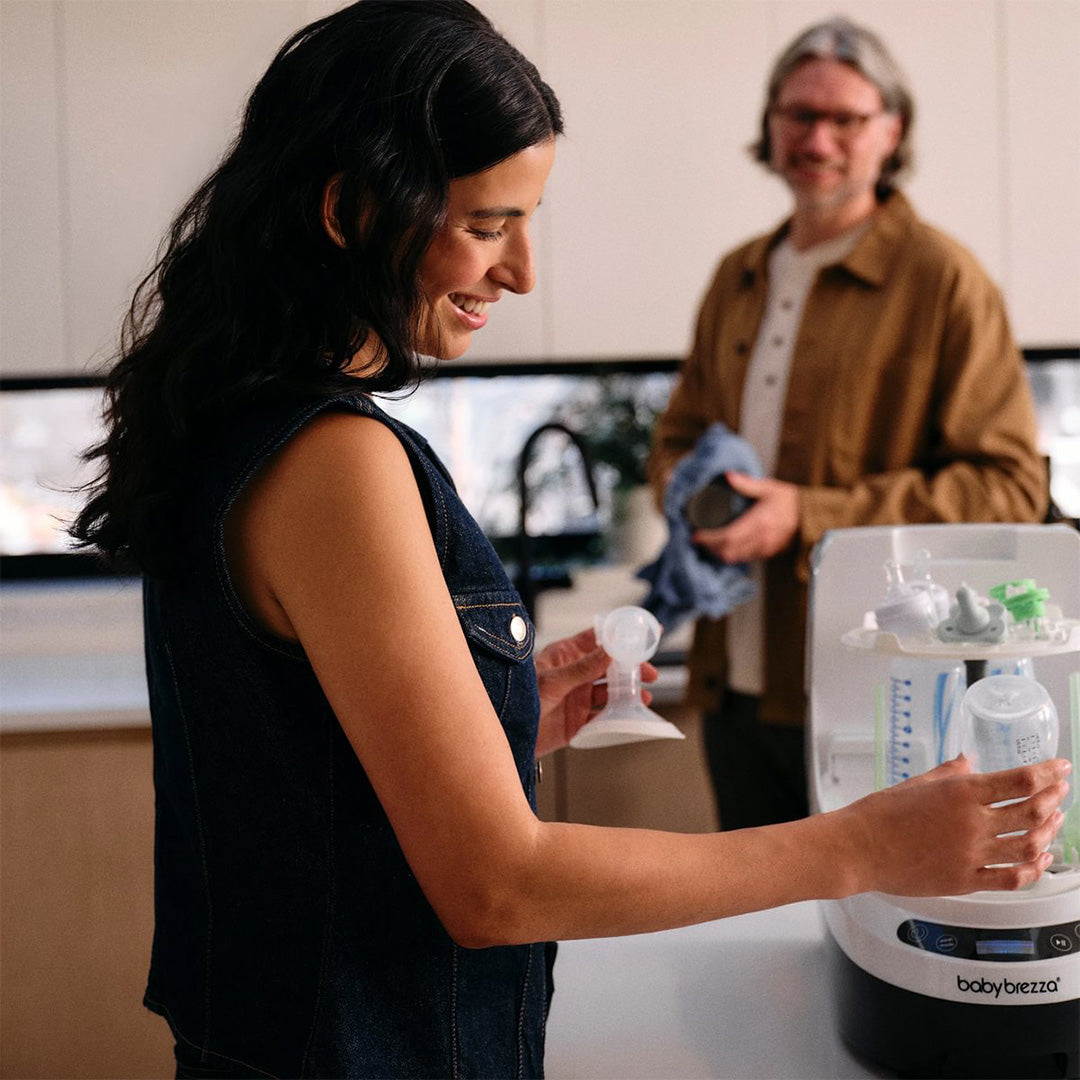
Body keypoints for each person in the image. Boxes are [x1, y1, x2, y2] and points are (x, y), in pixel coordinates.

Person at [71, 3, 1069, 1077]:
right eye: (490, 225)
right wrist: (864, 847)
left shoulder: (235, 416)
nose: (521, 274)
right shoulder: (336, 464)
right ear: (353, 210)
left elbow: (300, 759)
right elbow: (498, 885)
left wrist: (493, 717)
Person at [649, 17, 1048, 832]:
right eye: (798, 114)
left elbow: (1010, 488)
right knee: (758, 934)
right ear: (771, 125)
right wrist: (692, 498)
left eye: (846, 119)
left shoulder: (943, 280)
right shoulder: (740, 275)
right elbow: (677, 439)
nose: (817, 137)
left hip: (879, 693)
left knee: (875, 934)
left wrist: (809, 515)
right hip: (735, 683)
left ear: (891, 131)